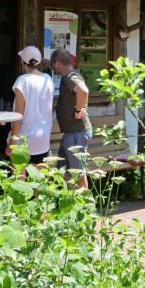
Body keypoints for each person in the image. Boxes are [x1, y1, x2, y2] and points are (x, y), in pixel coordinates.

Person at [49, 48, 92, 188]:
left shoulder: (70, 77)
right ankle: (66, 200)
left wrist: (78, 110)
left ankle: (86, 206)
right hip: (71, 132)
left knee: (78, 172)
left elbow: (83, 91)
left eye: (52, 64)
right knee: (61, 168)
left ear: (59, 63)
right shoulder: (70, 74)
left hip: (76, 133)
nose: (51, 67)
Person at [6, 46, 54, 168]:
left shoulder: (22, 81)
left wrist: (11, 143)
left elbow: (18, 116)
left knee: (19, 181)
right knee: (39, 181)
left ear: (23, 62)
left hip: (24, 139)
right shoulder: (48, 79)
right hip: (43, 139)